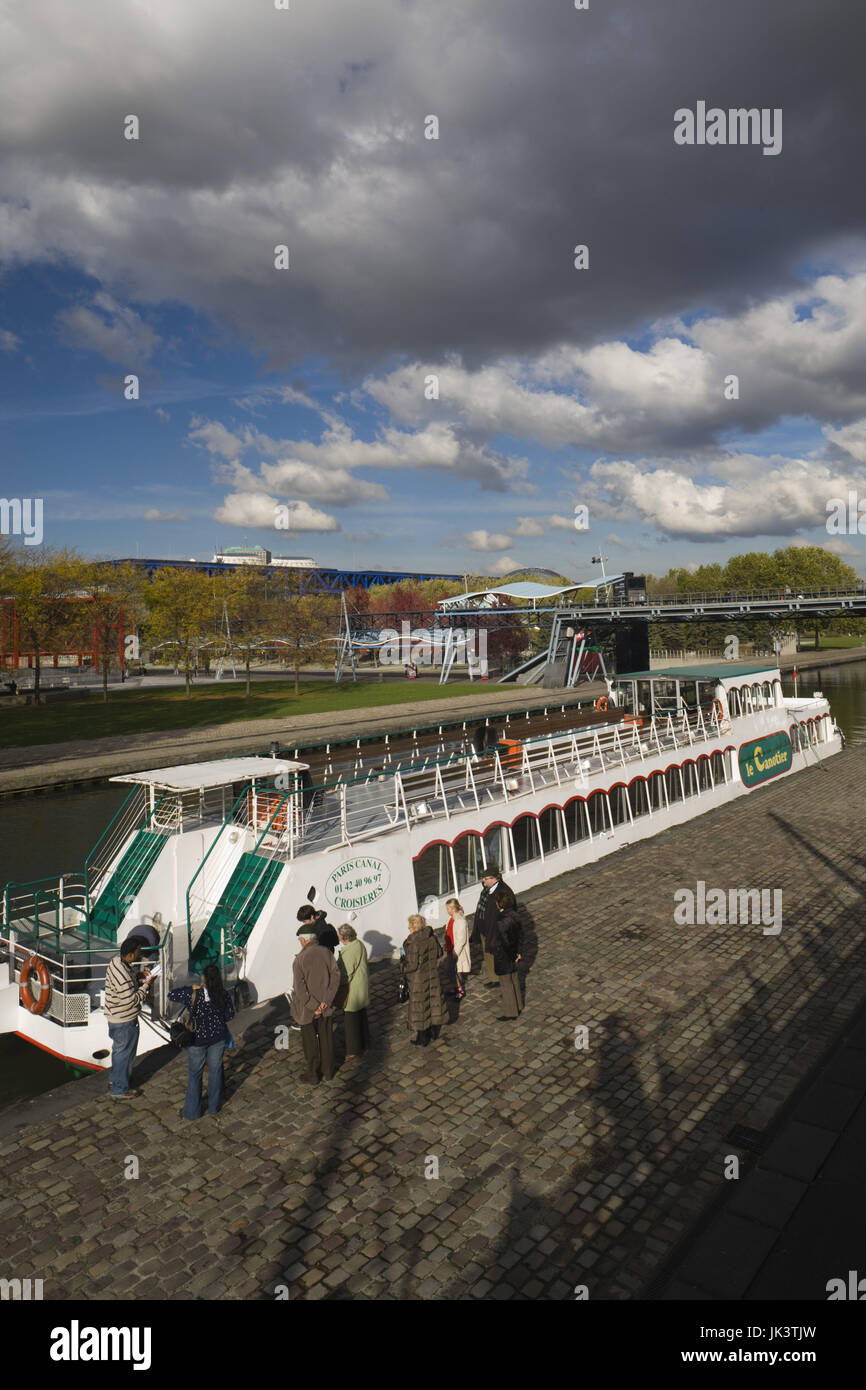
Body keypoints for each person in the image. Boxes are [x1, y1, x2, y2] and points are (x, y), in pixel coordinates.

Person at [168, 965, 235, 1118]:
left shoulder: (193, 994)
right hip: (217, 1037)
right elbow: (230, 1015)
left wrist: (190, 987)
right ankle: (213, 1107)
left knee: (195, 1074)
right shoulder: (223, 995)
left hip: (197, 1040)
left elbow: (171, 995)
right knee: (216, 1071)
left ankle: (192, 1111)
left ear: (204, 978)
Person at [104, 935, 154, 1099]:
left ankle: (116, 1079)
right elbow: (131, 1000)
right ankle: (119, 1089)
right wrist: (146, 985)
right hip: (124, 1020)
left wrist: (138, 977)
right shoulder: (123, 974)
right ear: (131, 954)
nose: (140, 955)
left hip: (116, 1018)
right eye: (138, 953)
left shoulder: (117, 962)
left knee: (119, 1051)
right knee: (124, 1053)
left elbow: (126, 985)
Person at [291, 923, 341, 1084]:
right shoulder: (326, 953)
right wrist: (325, 1002)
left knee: (310, 1044)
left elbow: (300, 988)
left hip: (307, 1010)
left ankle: (313, 1075)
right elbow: (336, 977)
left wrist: (314, 1006)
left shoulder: (299, 960)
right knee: (327, 1040)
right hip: (326, 1007)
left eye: (300, 940)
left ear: (304, 941)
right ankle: (328, 1071)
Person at [402, 913, 447, 1047]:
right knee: (431, 1003)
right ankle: (433, 1032)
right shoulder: (431, 937)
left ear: (414, 927)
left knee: (420, 1007)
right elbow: (439, 953)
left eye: (410, 926)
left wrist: (402, 964)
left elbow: (412, 965)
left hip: (418, 980)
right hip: (432, 976)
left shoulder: (413, 943)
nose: (408, 928)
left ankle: (423, 1038)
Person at [473, 867, 516, 987]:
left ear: (495, 879)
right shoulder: (487, 889)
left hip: (495, 931)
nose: (483, 881)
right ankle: (494, 978)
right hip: (484, 929)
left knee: (497, 955)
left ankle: (501, 979)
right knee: (488, 955)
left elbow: (509, 914)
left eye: (486, 879)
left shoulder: (503, 892)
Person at [490, 888, 524, 1021]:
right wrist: (518, 952)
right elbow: (521, 936)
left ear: (500, 904)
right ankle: (518, 1005)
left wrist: (511, 955)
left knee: (506, 984)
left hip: (505, 955)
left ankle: (511, 1012)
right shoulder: (515, 915)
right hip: (514, 953)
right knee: (514, 980)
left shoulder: (501, 921)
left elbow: (504, 942)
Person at [337, 925, 370, 1059]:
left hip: (352, 991)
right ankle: (365, 1042)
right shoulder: (359, 944)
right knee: (362, 1016)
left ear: (343, 938)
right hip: (361, 985)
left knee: (351, 1021)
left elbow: (346, 975)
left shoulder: (348, 952)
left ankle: (354, 1049)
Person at [444, 898, 470, 1000]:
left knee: (455, 971)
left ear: (452, 909)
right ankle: (456, 987)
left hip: (457, 951)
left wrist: (455, 953)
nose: (447, 911)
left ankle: (460, 990)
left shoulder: (460, 920)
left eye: (447, 908)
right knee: (450, 970)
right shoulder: (451, 919)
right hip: (451, 949)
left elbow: (461, 939)